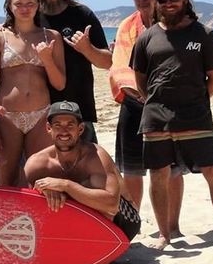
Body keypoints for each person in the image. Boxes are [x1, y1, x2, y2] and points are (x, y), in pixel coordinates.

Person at [132, 0, 213, 248]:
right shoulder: (147, 37)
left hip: (195, 116)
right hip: (156, 118)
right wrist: (154, 101)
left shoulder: (203, 34)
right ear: (157, 2)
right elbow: (140, 79)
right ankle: (165, 234)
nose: (168, 3)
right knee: (159, 175)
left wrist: (197, 100)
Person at [109, 0, 185, 232]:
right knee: (132, 169)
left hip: (166, 105)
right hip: (133, 102)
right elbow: (119, 66)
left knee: (172, 170)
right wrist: (140, 92)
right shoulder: (127, 26)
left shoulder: (173, 25)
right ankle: (133, 225)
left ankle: (173, 226)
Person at [0, 0, 66, 186]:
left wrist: (46, 59)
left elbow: (60, 84)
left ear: (38, 5)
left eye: (30, 3)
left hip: (41, 115)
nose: (25, 9)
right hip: (7, 116)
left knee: (40, 177)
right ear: (9, 6)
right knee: (7, 178)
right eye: (19, 4)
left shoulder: (52, 37)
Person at [23, 101, 141, 242]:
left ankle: (100, 256)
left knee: (90, 185)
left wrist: (65, 185)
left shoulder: (96, 156)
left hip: (123, 221)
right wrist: (43, 191)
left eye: (70, 125)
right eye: (58, 125)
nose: (64, 131)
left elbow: (111, 206)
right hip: (80, 223)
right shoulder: (37, 163)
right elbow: (25, 206)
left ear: (80, 129)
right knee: (47, 196)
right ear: (49, 128)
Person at [32, 0, 112, 143]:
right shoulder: (30, 17)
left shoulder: (82, 14)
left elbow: (107, 62)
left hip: (78, 108)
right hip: (39, 110)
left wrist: (87, 49)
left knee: (85, 166)